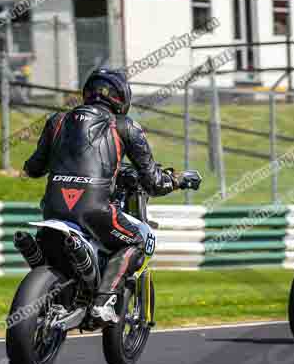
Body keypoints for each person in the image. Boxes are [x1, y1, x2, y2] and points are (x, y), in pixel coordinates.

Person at [23, 68, 179, 324]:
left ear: (87, 92)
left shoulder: (58, 120)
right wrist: (177, 179)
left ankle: (62, 290)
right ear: (121, 98)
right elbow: (153, 183)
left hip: (53, 209)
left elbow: (33, 168)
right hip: (94, 210)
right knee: (138, 242)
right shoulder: (125, 126)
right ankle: (103, 300)